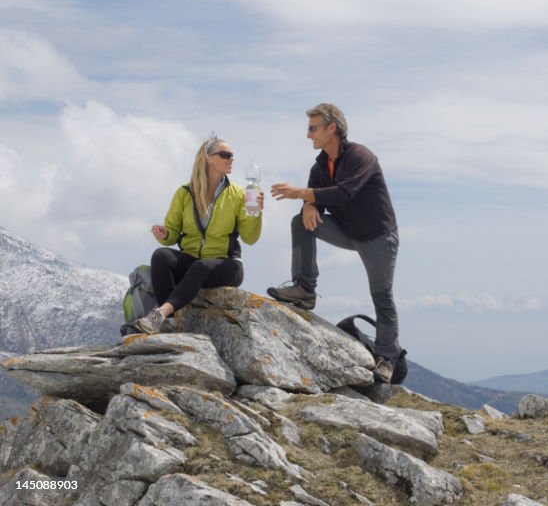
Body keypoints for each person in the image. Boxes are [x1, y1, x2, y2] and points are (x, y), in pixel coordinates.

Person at [268, 103, 401, 383]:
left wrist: (302, 195)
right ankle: (305, 289)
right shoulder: (320, 164)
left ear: (332, 128)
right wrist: (306, 204)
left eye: (312, 128)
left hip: (378, 237)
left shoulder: (360, 156)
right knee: (300, 222)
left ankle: (387, 358)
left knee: (382, 294)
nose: (308, 135)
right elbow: (314, 197)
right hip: (346, 230)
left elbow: (344, 193)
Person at [132, 136, 263, 334]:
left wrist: (256, 213)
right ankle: (172, 323)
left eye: (232, 156)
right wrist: (164, 233)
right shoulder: (185, 193)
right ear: (208, 158)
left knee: (200, 266)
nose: (231, 159)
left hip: (227, 264)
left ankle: (161, 314)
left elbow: (250, 238)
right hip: (193, 260)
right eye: (225, 155)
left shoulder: (238, 194)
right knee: (161, 255)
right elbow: (172, 233)